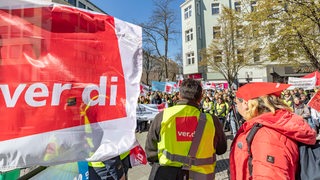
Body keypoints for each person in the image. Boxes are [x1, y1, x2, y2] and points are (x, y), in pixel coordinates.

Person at [229, 82, 317, 180]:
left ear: (246, 103)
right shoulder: (272, 125)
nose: (237, 107)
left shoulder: (266, 134)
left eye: (236, 103)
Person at [145, 78, 227, 180]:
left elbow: (150, 151)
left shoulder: (163, 117)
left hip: (168, 175)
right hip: (201, 176)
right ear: (200, 98)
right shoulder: (212, 121)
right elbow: (222, 149)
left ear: (179, 95)